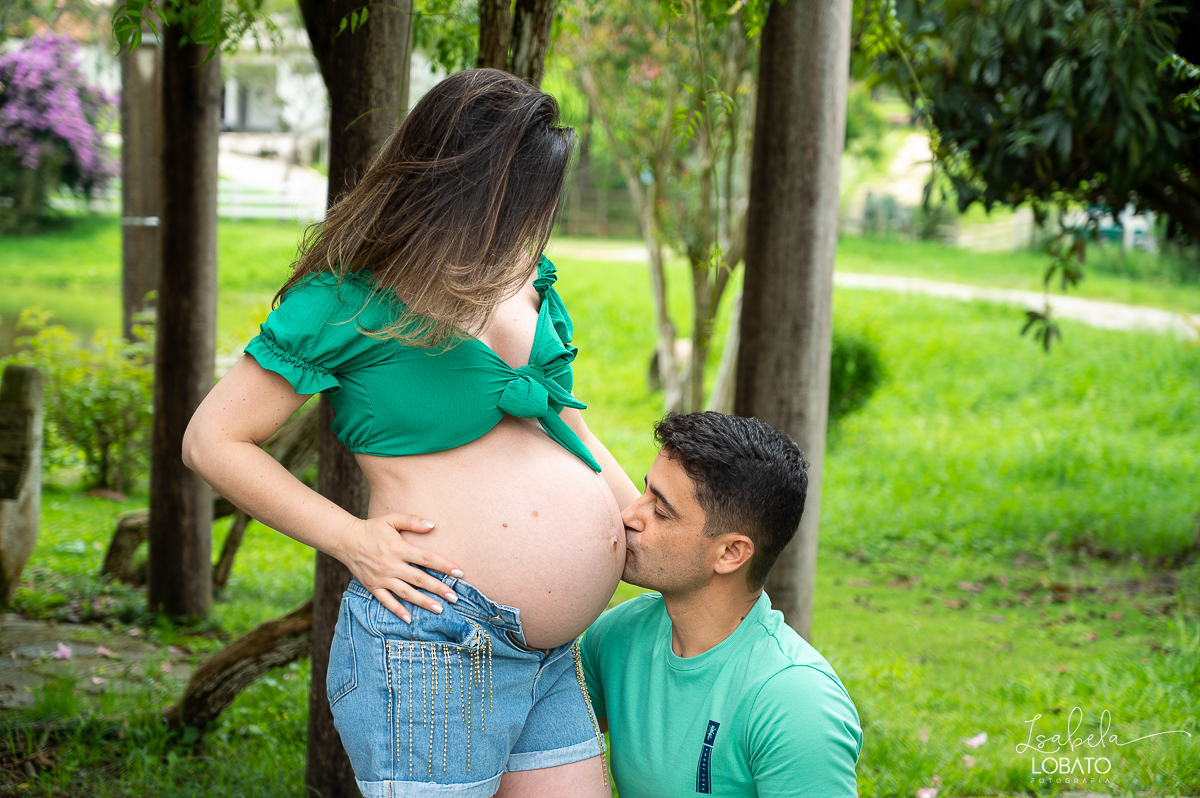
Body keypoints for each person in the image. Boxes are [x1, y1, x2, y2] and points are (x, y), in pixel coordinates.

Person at [183, 68, 639, 798]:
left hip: (550, 656)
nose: (532, 219)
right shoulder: (345, 297)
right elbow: (213, 441)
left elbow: (569, 427)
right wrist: (349, 538)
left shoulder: (525, 277)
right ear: (466, 181)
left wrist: (637, 525)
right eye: (524, 198)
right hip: (437, 643)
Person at [581, 411, 862, 797]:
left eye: (660, 511)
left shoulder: (795, 702)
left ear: (731, 552)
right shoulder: (617, 637)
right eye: (645, 491)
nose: (628, 515)